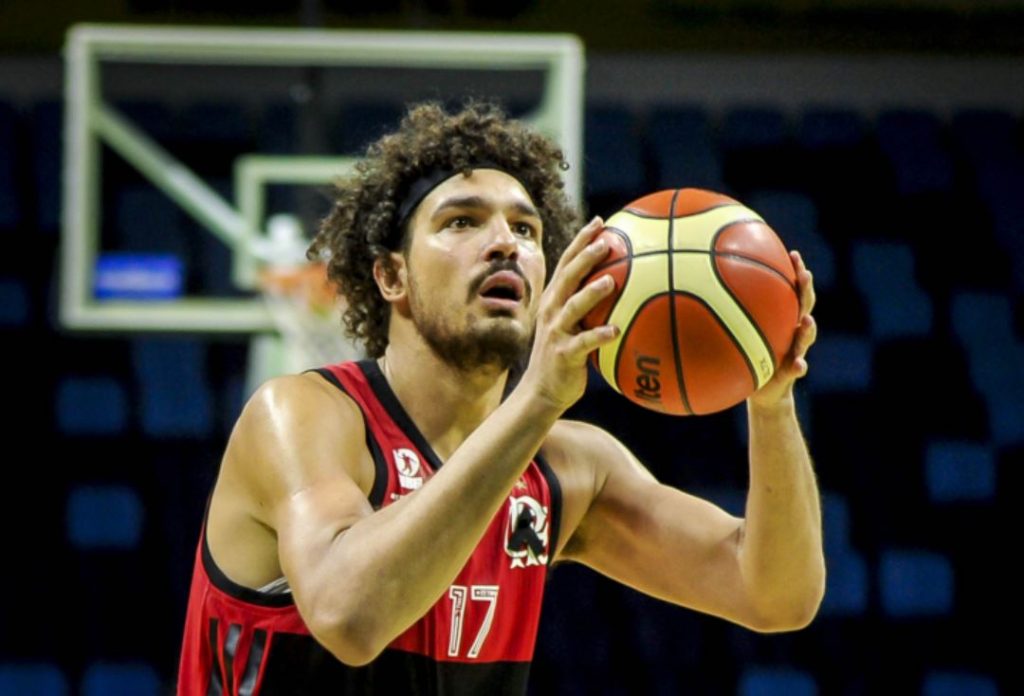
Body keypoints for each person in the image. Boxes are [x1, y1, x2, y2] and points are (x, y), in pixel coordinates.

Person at [177, 100, 824, 695]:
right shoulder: (302, 415)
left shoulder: (569, 468)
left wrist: (770, 403)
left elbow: (775, 596)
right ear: (391, 274)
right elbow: (349, 617)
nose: (505, 243)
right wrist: (537, 400)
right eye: (461, 221)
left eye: (526, 228)